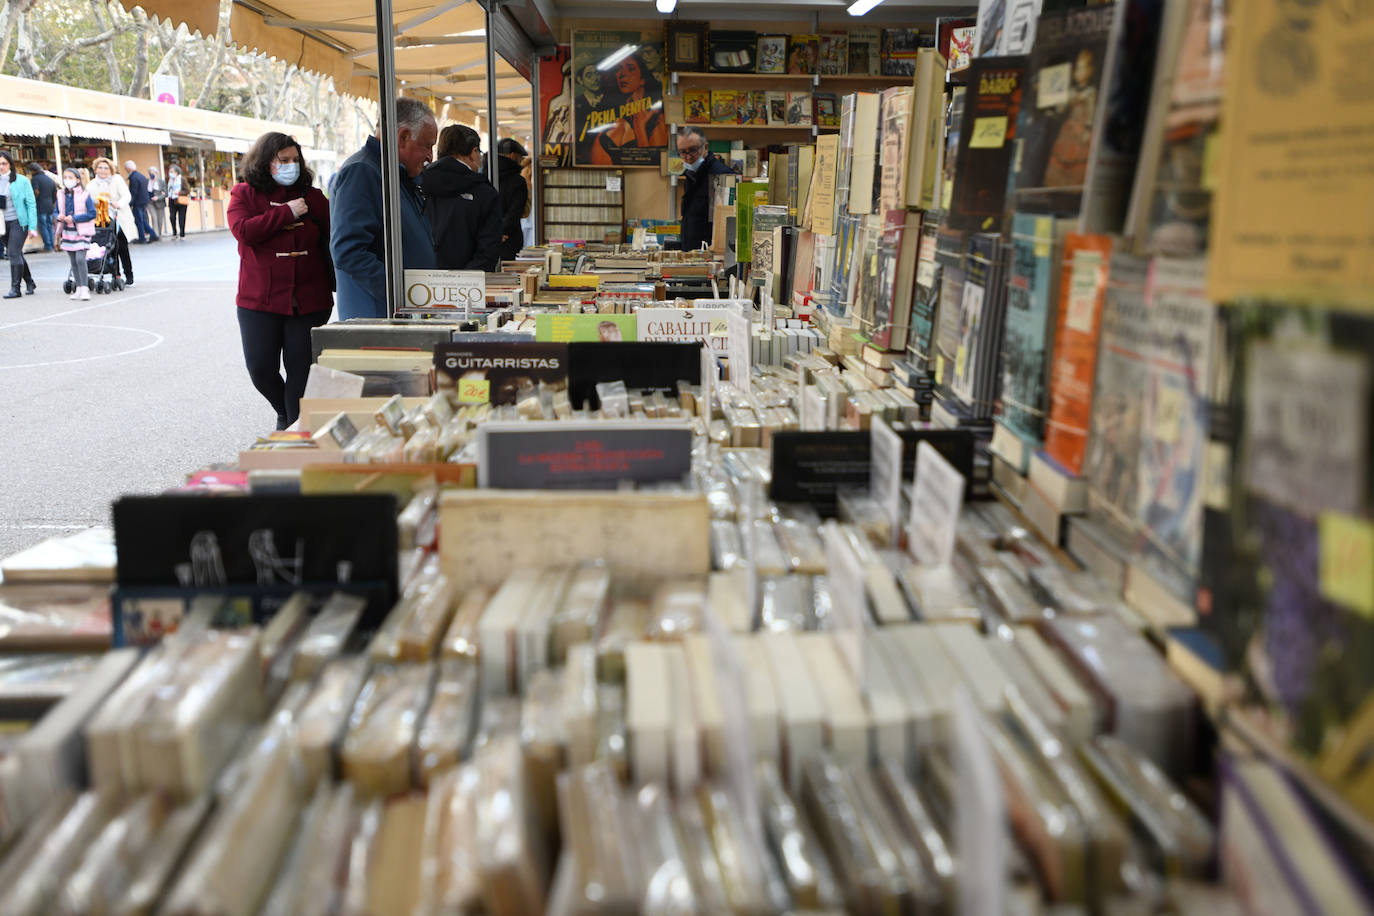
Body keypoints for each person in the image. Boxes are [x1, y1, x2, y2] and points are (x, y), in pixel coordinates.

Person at [228, 133, 334, 430]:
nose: (291, 166)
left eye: (295, 160)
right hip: (258, 300)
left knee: (300, 372)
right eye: (283, 161)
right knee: (260, 369)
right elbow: (243, 231)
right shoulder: (243, 194)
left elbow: (334, 235)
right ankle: (285, 414)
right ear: (265, 163)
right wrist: (286, 213)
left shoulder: (313, 197)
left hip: (310, 299)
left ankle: (291, 432)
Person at [330, 96, 438, 319]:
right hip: (380, 316)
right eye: (426, 146)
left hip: (401, 313)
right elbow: (349, 251)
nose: (430, 156)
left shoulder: (396, 174)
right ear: (403, 137)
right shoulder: (363, 172)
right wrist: (403, 294)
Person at [418, 124, 502, 272]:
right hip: (468, 288)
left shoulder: (418, 183)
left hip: (421, 283)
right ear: (473, 152)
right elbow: (489, 251)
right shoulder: (484, 193)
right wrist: (461, 282)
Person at [590, 52, 667, 166]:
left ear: (643, 79)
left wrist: (639, 127)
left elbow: (652, 169)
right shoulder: (606, 135)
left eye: (630, 69)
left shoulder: (657, 119)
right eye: (618, 69)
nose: (622, 74)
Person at [676, 128, 734, 252]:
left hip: (711, 253)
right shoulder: (691, 174)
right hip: (692, 251)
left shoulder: (721, 175)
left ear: (705, 147)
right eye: (682, 152)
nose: (688, 157)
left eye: (693, 150)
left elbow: (726, 223)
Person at [88, 157, 136, 285]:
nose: (103, 170)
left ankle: (129, 275)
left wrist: (119, 204)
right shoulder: (92, 184)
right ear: (95, 169)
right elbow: (87, 198)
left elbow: (127, 195)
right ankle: (115, 274)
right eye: (100, 168)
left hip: (118, 217)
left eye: (106, 168)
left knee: (121, 247)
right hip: (102, 220)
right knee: (108, 248)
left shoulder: (117, 180)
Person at [55, 167, 96, 301]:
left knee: (80, 258)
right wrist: (58, 216)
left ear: (78, 180)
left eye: (70, 178)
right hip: (67, 231)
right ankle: (78, 287)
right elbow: (55, 211)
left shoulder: (85, 194)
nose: (67, 180)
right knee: (73, 261)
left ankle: (84, 288)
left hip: (81, 230)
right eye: (65, 177)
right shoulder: (60, 194)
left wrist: (75, 218)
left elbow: (92, 213)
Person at [0, 154, 37, 297]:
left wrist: (32, 226)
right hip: (2, 223)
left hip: (19, 222)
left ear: (10, 164)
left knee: (13, 253)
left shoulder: (21, 181)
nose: (1, 167)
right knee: (17, 253)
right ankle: (29, 281)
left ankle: (15, 288)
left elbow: (31, 204)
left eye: (4, 163)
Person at [495, 138, 529, 263]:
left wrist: (492, 233)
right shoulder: (518, 181)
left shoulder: (484, 175)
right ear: (512, 155)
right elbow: (515, 212)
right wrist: (502, 232)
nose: (521, 162)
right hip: (510, 239)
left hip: (486, 239)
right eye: (520, 158)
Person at [124, 160, 158, 243]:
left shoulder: (133, 177)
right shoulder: (141, 176)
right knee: (142, 219)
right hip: (143, 201)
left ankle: (142, 238)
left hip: (138, 202)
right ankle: (153, 234)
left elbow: (134, 192)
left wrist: (130, 203)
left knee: (139, 220)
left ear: (128, 168)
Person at [26, 162, 56, 252]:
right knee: (49, 226)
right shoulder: (49, 179)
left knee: (43, 226)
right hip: (50, 205)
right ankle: (52, 245)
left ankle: (48, 246)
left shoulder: (35, 179)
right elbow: (54, 193)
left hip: (40, 205)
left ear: (32, 171)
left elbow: (36, 191)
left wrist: (33, 200)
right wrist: (52, 203)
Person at [166, 165, 188, 239]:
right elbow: (169, 189)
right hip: (172, 199)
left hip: (180, 200)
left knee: (181, 218)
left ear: (177, 172)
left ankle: (182, 233)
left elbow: (187, 190)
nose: (170, 173)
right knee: (172, 217)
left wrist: (179, 193)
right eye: (170, 172)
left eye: (172, 172)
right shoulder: (170, 180)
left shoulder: (182, 179)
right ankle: (174, 233)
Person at [147, 166, 167, 237]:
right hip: (150, 202)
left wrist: (158, 197)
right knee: (154, 217)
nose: (151, 175)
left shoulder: (161, 182)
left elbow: (165, 193)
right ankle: (155, 234)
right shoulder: (147, 181)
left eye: (153, 173)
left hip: (159, 203)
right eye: (150, 173)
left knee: (159, 219)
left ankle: (159, 233)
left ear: (156, 173)